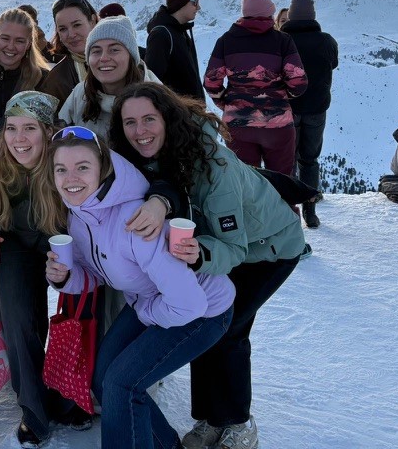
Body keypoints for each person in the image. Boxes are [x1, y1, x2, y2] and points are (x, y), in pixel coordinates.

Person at [109, 83, 305, 449]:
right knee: (202, 324)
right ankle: (209, 420)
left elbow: (233, 246)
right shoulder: (153, 154)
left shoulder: (214, 169)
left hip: (268, 250)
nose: (140, 131)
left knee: (228, 329)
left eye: (149, 119)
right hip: (215, 244)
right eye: (130, 122)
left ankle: (237, 423)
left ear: (167, 119)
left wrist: (200, 253)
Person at [44, 126, 235, 449]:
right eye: (61, 169)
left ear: (103, 169)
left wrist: (145, 312)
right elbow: (98, 275)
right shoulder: (80, 216)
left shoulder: (135, 220)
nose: (70, 178)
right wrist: (65, 277)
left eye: (82, 167)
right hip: (152, 302)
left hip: (203, 311)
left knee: (120, 383)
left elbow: (189, 305)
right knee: (104, 378)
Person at [0, 91, 89, 448]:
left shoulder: (68, 160)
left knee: (80, 311)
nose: (18, 139)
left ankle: (69, 396)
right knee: (19, 316)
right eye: (11, 127)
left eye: (29, 128)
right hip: (13, 243)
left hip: (63, 243)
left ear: (49, 131)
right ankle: (33, 409)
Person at [203, 0, 308, 175]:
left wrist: (226, 103)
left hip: (238, 125)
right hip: (277, 123)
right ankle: (283, 205)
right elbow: (298, 81)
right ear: (269, 14)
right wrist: (282, 96)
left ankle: (250, 206)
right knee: (282, 181)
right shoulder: (283, 40)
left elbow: (211, 81)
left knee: (246, 181)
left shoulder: (226, 40)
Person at [282, 0, 338, 228]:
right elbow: (333, 64)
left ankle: (287, 210)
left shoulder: (282, 39)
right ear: (313, 16)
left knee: (288, 160)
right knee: (310, 160)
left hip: (288, 108)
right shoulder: (326, 40)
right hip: (317, 108)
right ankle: (311, 211)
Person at [59, 15, 160, 138]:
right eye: (96, 51)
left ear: (131, 57)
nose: (104, 58)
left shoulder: (157, 98)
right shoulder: (80, 94)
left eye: (114, 50)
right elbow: (60, 137)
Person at [0, 8, 50, 142]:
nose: (11, 46)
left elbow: (48, 132)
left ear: (29, 44)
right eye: (5, 38)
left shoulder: (43, 81)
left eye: (19, 41)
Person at [143, 0, 206, 103]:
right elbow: (151, 82)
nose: (198, 7)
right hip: (176, 114)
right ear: (180, 3)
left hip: (190, 113)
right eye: (195, 2)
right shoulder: (161, 35)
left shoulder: (181, 32)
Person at [39, 0, 98, 111]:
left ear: (93, 21)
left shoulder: (120, 61)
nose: (71, 34)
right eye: (63, 29)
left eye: (77, 25)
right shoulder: (56, 80)